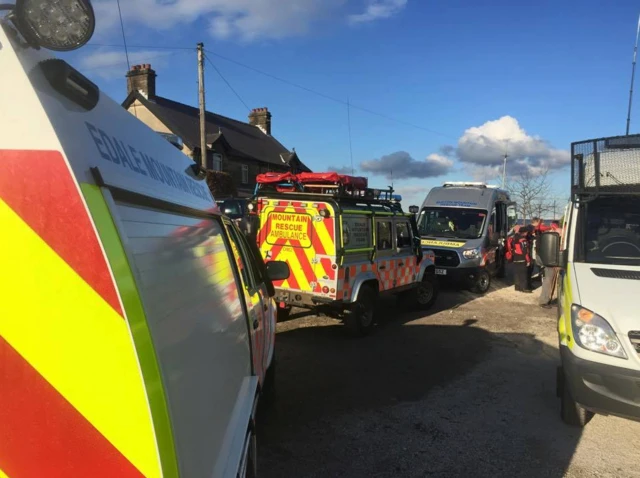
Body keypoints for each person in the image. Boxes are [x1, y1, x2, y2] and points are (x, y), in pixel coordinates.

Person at [538, 220, 562, 308]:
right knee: (548, 281)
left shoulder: (551, 234)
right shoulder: (555, 234)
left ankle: (547, 299)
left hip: (553, 261)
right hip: (552, 262)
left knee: (551, 282)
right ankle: (544, 301)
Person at [506, 225, 533, 292]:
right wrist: (528, 260)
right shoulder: (523, 240)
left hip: (515, 257)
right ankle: (524, 288)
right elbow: (525, 251)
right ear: (525, 232)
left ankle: (517, 287)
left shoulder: (513, 238)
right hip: (522, 258)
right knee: (523, 273)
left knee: (516, 273)